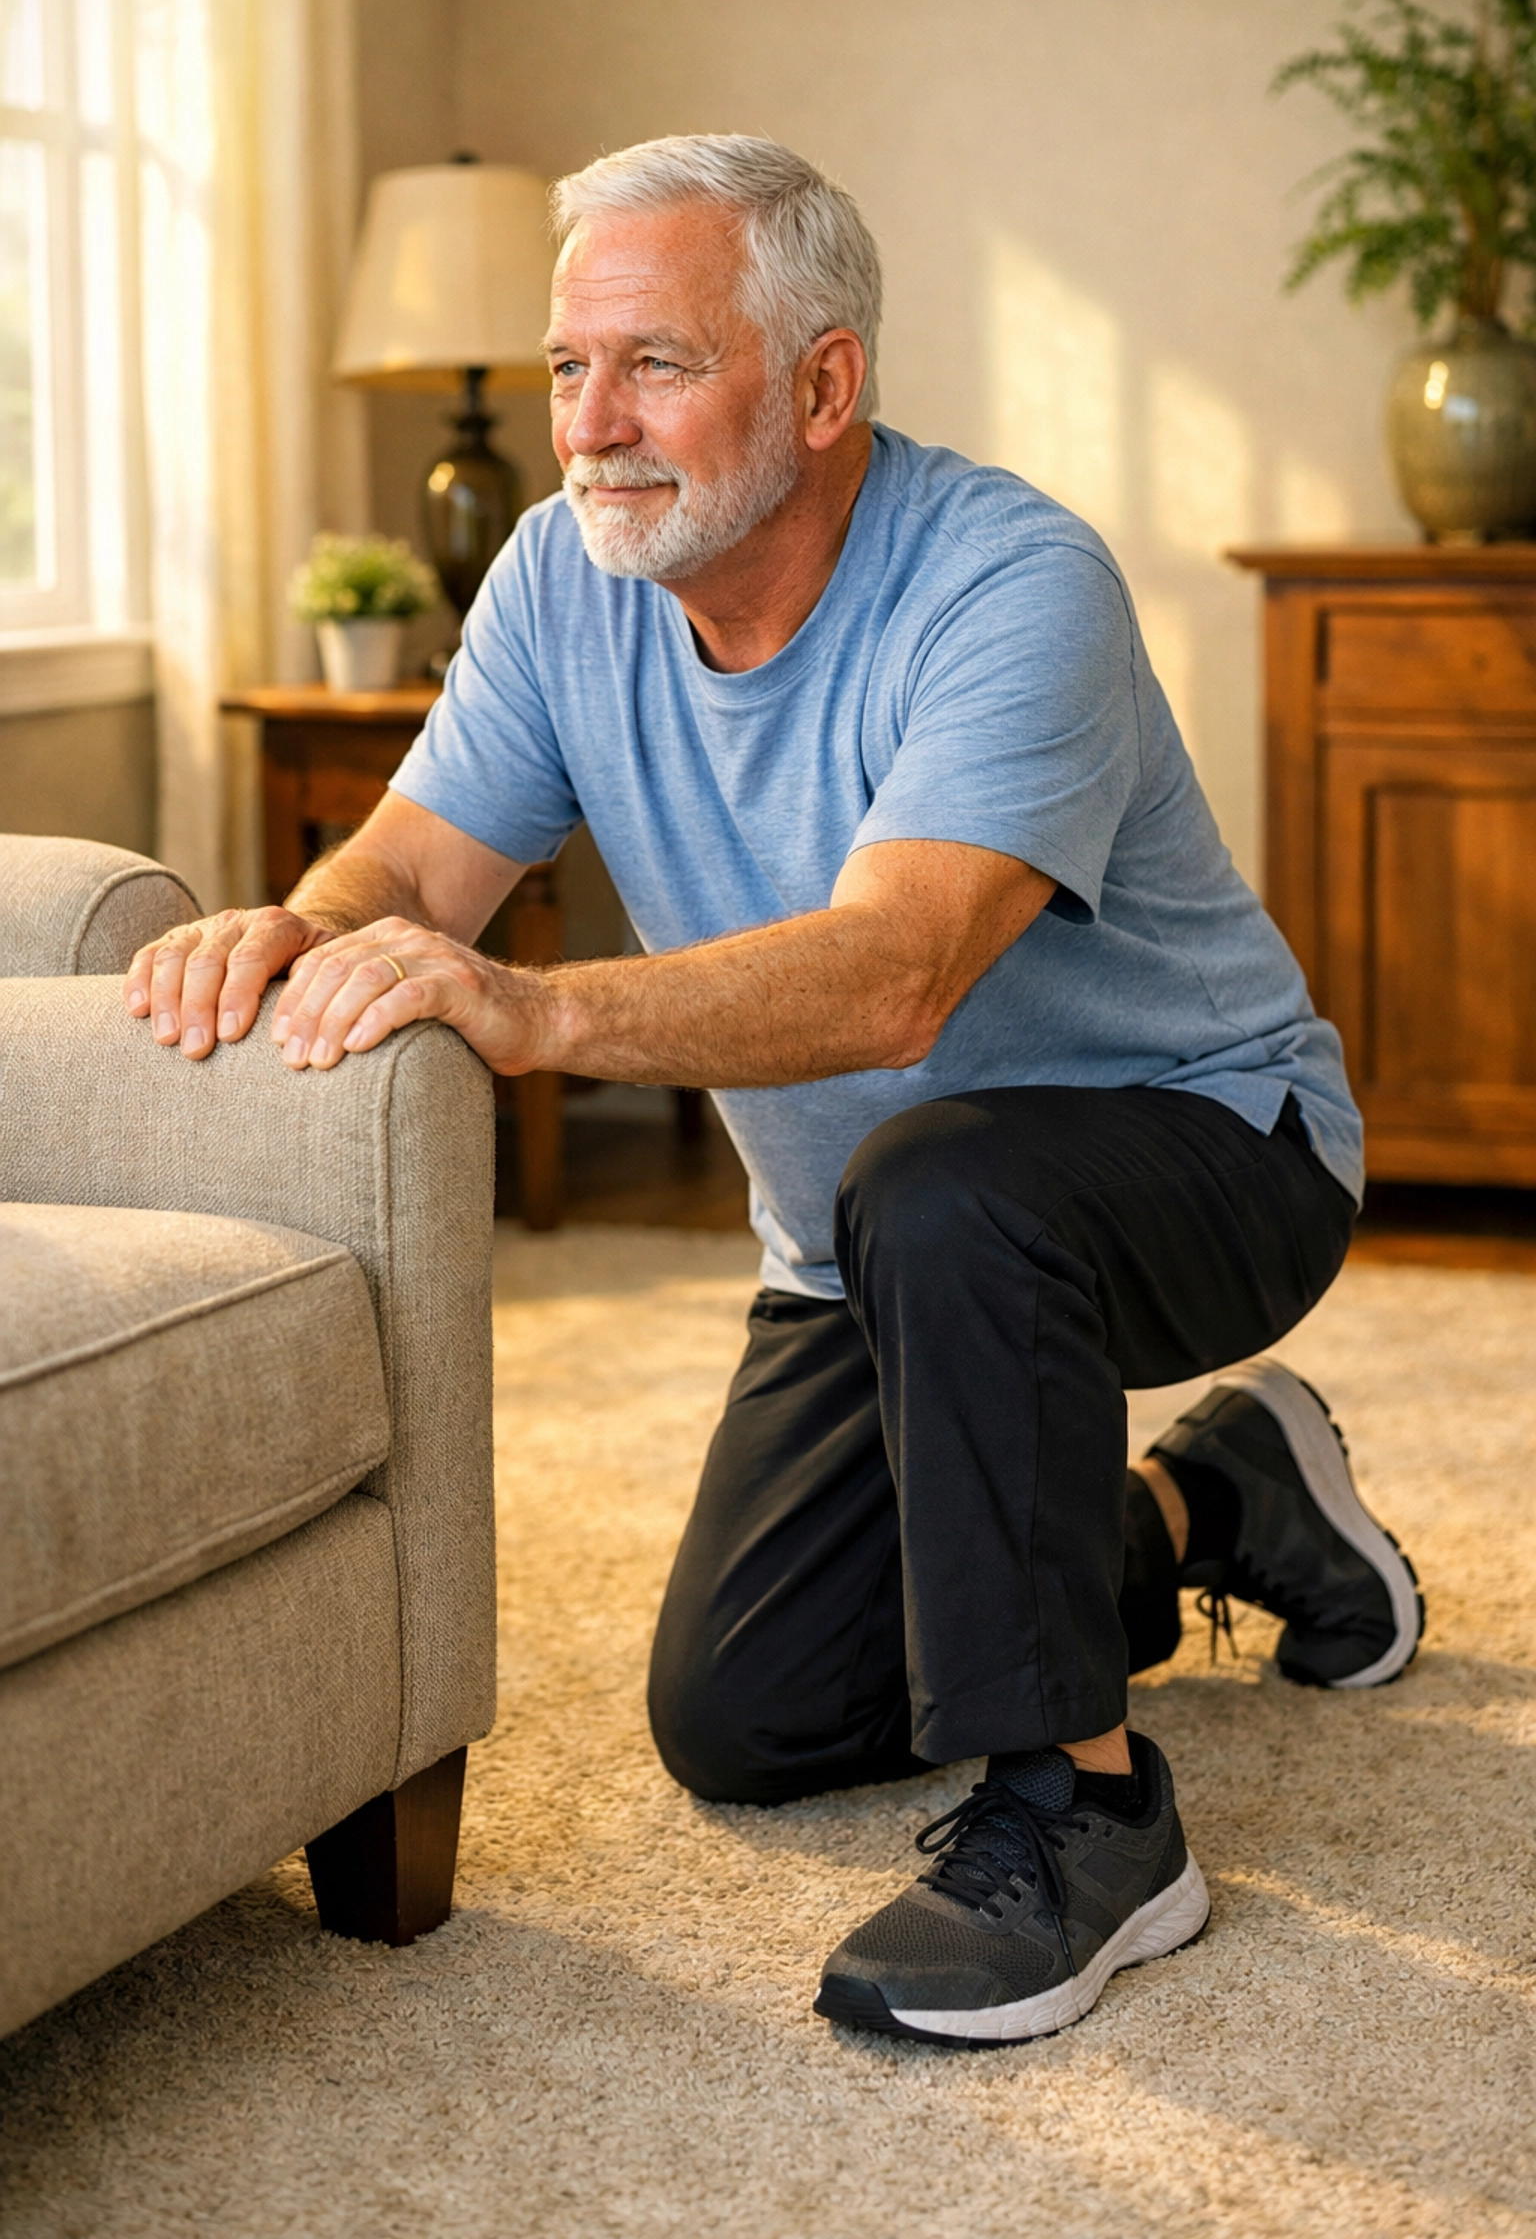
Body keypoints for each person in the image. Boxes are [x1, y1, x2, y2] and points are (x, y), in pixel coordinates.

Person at [127, 134, 1422, 2046]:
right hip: (867, 1246)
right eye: (572, 368)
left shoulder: (1007, 580)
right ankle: (1215, 1496)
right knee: (750, 1717)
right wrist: (298, 930)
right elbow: (408, 869)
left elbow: (900, 971)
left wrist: (539, 1013)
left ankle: (1093, 1816)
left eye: (655, 362)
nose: (593, 424)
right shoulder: (565, 584)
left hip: (1215, 1147)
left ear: (825, 386)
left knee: (944, 1176)